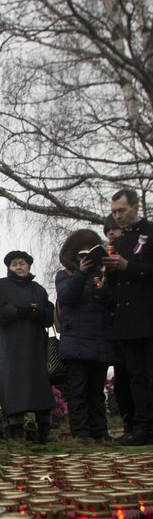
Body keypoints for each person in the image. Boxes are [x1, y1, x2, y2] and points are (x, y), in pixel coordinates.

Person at [0, 251, 55, 442]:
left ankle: (44, 429)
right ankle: (16, 429)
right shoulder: (0, 286)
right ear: (9, 268)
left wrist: (39, 313)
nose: (19, 267)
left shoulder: (38, 289)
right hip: (12, 346)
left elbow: (49, 317)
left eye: (23, 263)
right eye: (14, 264)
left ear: (29, 266)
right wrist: (17, 311)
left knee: (39, 384)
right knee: (14, 385)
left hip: (35, 344)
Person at [103, 188, 153, 445]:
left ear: (135, 207)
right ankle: (141, 426)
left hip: (148, 315)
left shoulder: (150, 233)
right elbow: (115, 285)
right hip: (127, 319)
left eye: (121, 210)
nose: (118, 216)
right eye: (113, 212)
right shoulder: (119, 242)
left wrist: (128, 267)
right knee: (135, 375)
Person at [55, 229, 114, 441]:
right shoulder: (65, 275)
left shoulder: (102, 276)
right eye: (81, 256)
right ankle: (81, 434)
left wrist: (104, 282)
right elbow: (67, 298)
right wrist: (80, 273)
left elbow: (110, 303)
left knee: (96, 392)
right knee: (77, 392)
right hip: (76, 343)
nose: (86, 260)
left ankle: (101, 433)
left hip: (99, 342)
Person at [103, 213, 134, 436]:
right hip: (116, 328)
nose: (111, 233)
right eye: (107, 231)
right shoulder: (105, 263)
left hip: (136, 324)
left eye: (114, 229)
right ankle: (129, 422)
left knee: (139, 376)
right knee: (122, 379)